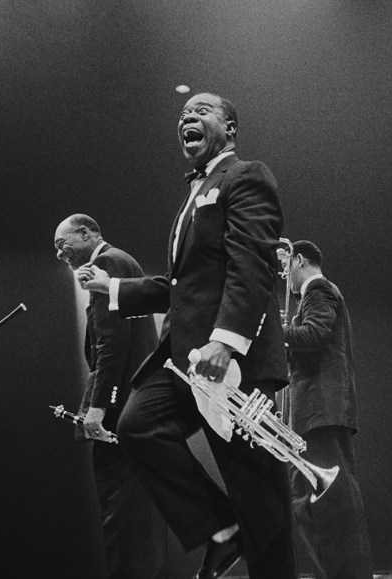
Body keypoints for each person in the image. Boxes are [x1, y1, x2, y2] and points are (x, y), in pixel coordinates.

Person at [79, 92, 296, 579]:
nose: (187, 118)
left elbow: (252, 263)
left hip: (231, 361)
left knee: (257, 494)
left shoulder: (246, 176)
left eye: (201, 111)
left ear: (230, 128)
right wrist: (114, 287)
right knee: (136, 426)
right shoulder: (193, 195)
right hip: (184, 360)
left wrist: (226, 340)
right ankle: (221, 532)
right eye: (183, 115)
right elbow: (183, 286)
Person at [52, 213, 167, 578]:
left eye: (62, 244)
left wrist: (98, 408)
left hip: (119, 414)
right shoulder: (124, 261)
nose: (59, 254)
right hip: (140, 407)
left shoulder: (106, 263)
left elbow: (111, 345)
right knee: (141, 519)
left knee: (122, 517)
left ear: (87, 233)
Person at [282, 240, 373, 579]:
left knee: (330, 509)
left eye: (286, 267)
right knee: (310, 507)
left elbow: (315, 334)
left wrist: (279, 333)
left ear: (298, 260)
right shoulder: (314, 293)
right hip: (314, 415)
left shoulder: (317, 288)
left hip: (319, 413)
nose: (286, 278)